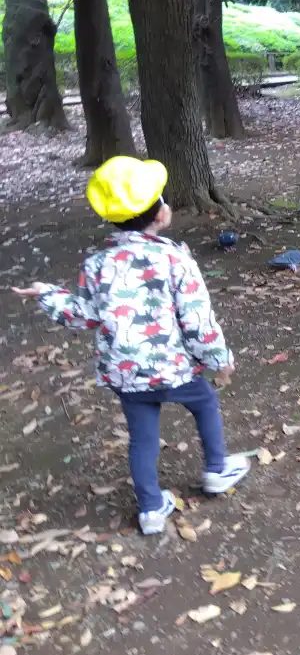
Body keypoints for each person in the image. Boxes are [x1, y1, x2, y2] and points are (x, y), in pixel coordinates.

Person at [12, 156, 249, 535]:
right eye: (161, 199)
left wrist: (47, 294)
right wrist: (220, 360)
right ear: (160, 214)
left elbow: (84, 315)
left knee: (142, 437)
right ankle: (218, 469)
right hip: (172, 367)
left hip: (126, 375)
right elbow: (197, 317)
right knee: (204, 400)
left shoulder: (96, 265)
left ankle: (152, 510)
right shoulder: (174, 258)